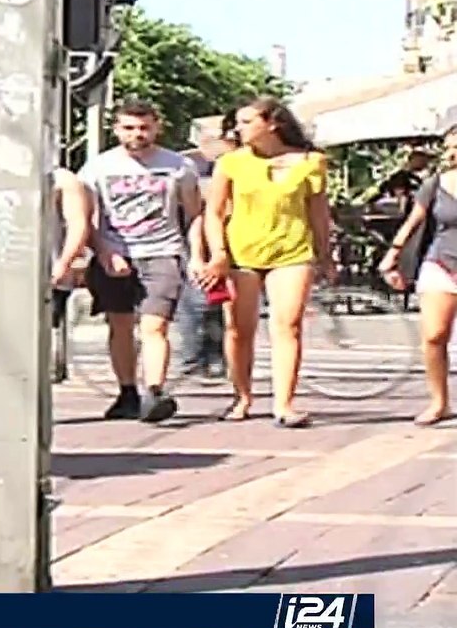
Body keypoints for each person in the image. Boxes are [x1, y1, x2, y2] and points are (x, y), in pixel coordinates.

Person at [202, 96, 335, 427]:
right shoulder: (231, 163)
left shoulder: (311, 162)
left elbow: (318, 212)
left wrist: (325, 254)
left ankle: (284, 404)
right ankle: (242, 396)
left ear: (272, 123)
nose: (239, 128)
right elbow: (213, 213)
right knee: (238, 329)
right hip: (241, 253)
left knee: (288, 325)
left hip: (292, 250)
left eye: (247, 122)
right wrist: (218, 253)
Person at [78, 99, 201, 423]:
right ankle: (127, 391)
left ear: (157, 127)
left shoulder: (178, 166)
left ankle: (155, 392)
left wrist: (198, 254)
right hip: (115, 252)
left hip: (162, 251)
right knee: (120, 325)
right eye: (129, 128)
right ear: (117, 129)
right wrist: (103, 251)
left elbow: (194, 215)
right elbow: (85, 218)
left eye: (144, 127)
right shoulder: (97, 168)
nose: (137, 134)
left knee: (155, 325)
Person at [377, 124, 457, 427]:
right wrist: (392, 255)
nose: (451, 153)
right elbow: (413, 222)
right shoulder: (435, 184)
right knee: (434, 336)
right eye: (449, 146)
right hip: (441, 262)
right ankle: (439, 402)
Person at [0, 167, 92, 330]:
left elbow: (77, 224)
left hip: (43, 275)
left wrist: (64, 263)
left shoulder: (61, 179)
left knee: (40, 334)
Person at [175, 112, 241, 379]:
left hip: (232, 236)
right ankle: (194, 357)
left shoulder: (240, 162)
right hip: (194, 236)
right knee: (196, 299)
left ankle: (217, 356)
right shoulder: (189, 163)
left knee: (222, 300)